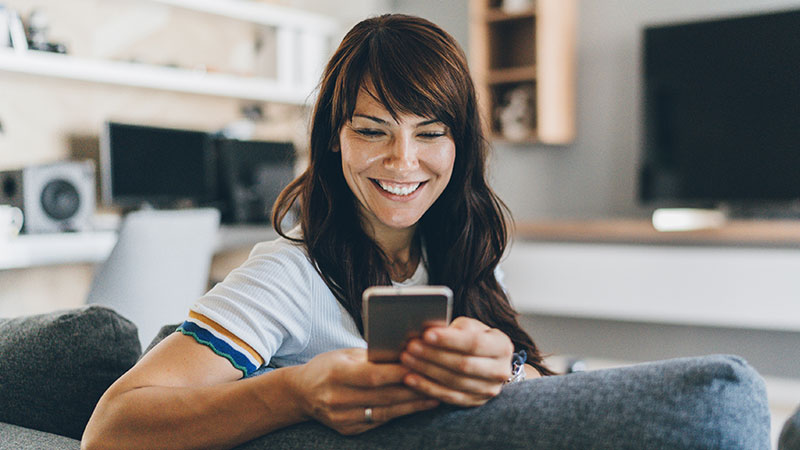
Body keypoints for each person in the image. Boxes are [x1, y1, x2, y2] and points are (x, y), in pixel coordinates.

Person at [82, 13, 552, 450]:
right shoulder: (290, 274)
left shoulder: (463, 251)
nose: (403, 160)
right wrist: (295, 393)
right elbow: (110, 429)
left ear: (459, 144)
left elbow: (543, 388)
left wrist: (505, 371)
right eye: (372, 131)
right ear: (334, 136)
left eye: (430, 134)